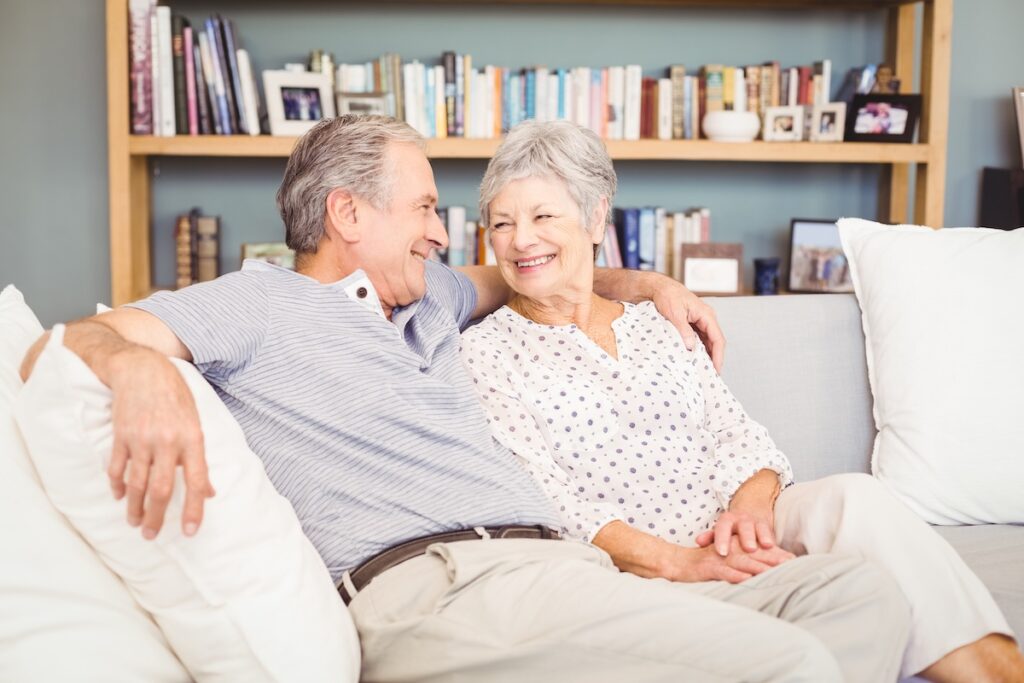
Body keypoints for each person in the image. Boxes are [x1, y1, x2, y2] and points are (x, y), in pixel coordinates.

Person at [22, 115, 909, 683]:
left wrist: (640, 281)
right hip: (441, 590)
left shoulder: (433, 297)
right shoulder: (258, 301)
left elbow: (534, 264)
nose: (445, 232)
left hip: (562, 574)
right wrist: (138, 368)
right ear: (347, 215)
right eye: (424, 208)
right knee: (791, 664)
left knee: (860, 598)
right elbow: (70, 340)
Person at [460, 119, 1023, 683]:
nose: (521, 240)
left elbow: (741, 436)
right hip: (626, 565)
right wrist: (683, 562)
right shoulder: (485, 353)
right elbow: (549, 503)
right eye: (502, 223)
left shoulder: (658, 321)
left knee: (856, 497)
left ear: (596, 217)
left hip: (734, 528)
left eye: (542, 216)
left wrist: (749, 511)